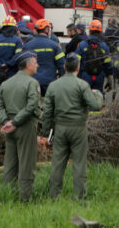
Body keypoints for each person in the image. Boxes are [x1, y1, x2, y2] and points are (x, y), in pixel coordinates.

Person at [40, 53, 103, 200]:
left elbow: (47, 112)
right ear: (78, 68)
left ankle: (54, 196)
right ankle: (79, 196)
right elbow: (95, 105)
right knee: (79, 163)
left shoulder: (53, 86)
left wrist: (45, 132)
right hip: (78, 128)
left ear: (64, 67)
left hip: (60, 128)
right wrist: (98, 94)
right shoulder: (82, 85)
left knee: (57, 163)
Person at [0, 51, 42, 201]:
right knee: (27, 163)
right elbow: (32, 105)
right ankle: (25, 198)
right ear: (28, 65)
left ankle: (6, 195)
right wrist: (16, 122)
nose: (37, 65)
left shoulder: (6, 83)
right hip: (25, 126)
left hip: (9, 126)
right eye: (35, 62)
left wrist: (6, 122)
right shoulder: (32, 83)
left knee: (10, 163)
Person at [22, 18, 65, 95]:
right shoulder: (55, 46)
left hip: (32, 82)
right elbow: (61, 65)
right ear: (47, 30)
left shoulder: (27, 46)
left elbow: (22, 64)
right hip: (50, 82)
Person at [78, 20, 113, 92]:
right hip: (99, 77)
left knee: (84, 98)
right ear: (100, 32)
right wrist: (109, 78)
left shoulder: (82, 44)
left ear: (90, 31)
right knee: (97, 99)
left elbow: (75, 62)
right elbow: (108, 64)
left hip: (85, 76)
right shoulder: (104, 46)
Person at [0, 17, 22, 85]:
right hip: (12, 71)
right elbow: (18, 55)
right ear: (15, 28)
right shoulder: (17, 40)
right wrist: (8, 65)